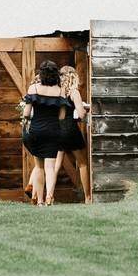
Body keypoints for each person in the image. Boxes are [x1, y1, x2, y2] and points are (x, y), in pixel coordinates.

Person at [21, 60, 69, 206]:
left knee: (39, 167)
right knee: (50, 167)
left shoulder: (33, 89)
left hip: (37, 131)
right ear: (56, 75)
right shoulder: (60, 91)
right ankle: (49, 197)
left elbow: (26, 113)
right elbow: (61, 117)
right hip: (53, 131)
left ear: (41, 73)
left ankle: (40, 201)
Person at [55, 65, 91, 203]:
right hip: (70, 129)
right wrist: (85, 110)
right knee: (82, 163)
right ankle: (87, 197)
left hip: (57, 129)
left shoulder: (57, 91)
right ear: (73, 76)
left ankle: (48, 195)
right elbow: (81, 114)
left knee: (56, 164)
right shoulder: (73, 92)